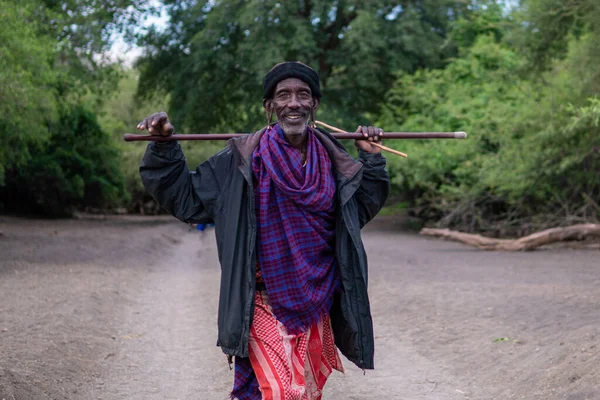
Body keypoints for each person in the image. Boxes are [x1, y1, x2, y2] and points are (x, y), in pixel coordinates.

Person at [137, 61, 389, 400]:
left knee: (304, 393)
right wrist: (164, 146)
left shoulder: (333, 158)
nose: (293, 103)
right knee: (285, 392)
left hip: (317, 300)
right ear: (269, 106)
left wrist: (371, 160)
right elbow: (187, 198)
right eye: (283, 95)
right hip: (258, 300)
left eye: (303, 95)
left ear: (314, 105)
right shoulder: (240, 159)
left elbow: (356, 211)